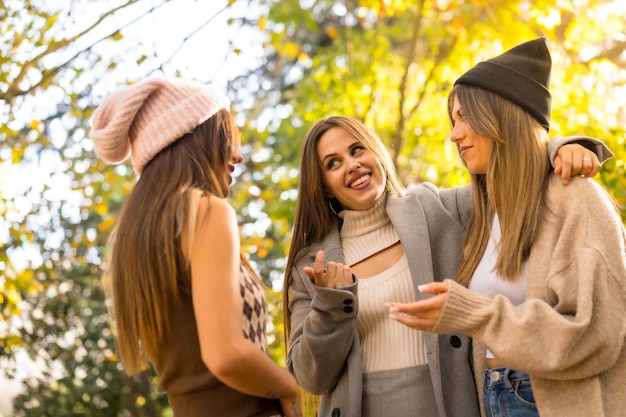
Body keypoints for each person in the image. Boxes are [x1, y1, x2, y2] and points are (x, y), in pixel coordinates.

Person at [283, 108, 610, 416]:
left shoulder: (436, 210)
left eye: (357, 150)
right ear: (322, 185)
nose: (351, 165)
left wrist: (559, 149)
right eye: (333, 163)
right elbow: (312, 379)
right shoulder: (312, 265)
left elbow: (510, 176)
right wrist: (330, 305)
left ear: (375, 153)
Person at [387, 38, 626, 417]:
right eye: (453, 121)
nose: (454, 135)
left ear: (502, 115)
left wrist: (476, 314)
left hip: (550, 401)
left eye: (465, 117)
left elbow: (594, 335)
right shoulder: (483, 214)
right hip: (495, 395)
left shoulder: (576, 199)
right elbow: (402, 205)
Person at [89, 77, 301, 417]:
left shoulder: (139, 233)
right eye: (227, 137)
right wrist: (290, 389)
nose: (238, 155)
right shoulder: (206, 212)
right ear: (197, 140)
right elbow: (226, 355)